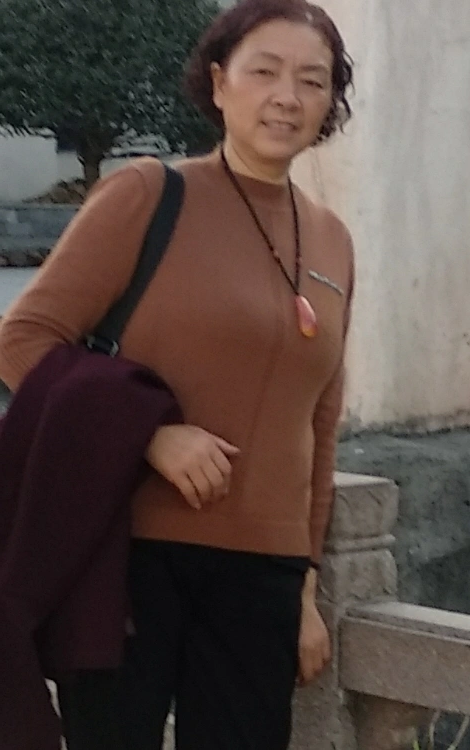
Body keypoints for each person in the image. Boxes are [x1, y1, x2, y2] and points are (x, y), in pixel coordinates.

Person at [0, 0, 355, 747]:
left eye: (312, 81)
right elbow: (22, 338)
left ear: (330, 102)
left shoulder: (333, 239)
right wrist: (151, 436)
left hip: (262, 577)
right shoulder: (150, 195)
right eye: (265, 72)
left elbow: (319, 424)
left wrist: (305, 587)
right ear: (219, 83)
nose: (287, 97)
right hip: (128, 561)